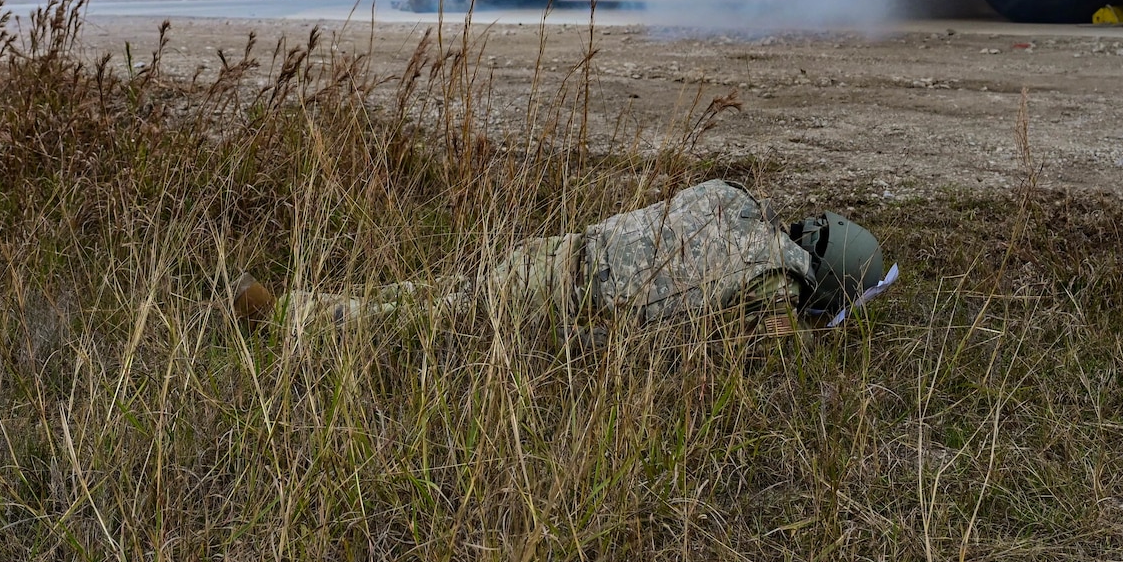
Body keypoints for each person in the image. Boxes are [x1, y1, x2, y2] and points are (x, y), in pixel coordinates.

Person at [230, 180, 898, 340]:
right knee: (419, 323)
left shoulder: (732, 196)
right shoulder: (774, 285)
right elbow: (762, 356)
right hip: (557, 299)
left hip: (551, 253)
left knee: (431, 293)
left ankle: (303, 297)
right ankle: (287, 318)